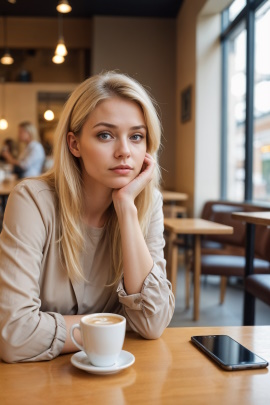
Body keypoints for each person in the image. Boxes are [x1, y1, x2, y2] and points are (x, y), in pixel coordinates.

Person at [0, 71, 175, 363]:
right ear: (74, 144)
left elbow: (152, 323)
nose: (124, 152)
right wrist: (110, 325)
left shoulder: (146, 204)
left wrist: (126, 209)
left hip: (112, 376)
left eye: (136, 136)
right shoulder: (32, 200)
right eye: (105, 135)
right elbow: (15, 336)